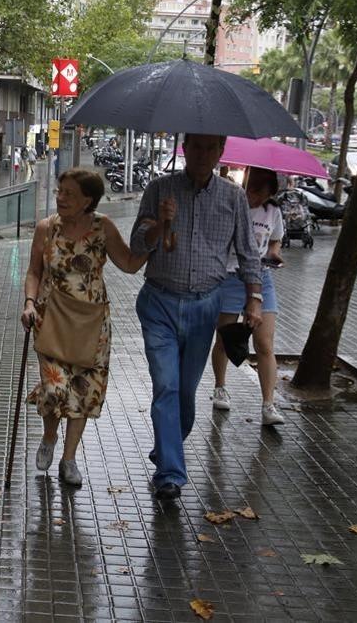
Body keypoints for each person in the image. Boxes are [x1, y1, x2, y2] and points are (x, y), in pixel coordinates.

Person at [130, 133, 263, 501]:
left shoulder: (233, 197)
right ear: (184, 148)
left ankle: (167, 444)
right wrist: (160, 223)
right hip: (160, 302)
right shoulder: (160, 189)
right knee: (167, 386)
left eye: (211, 147)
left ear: (221, 151)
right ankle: (170, 473)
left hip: (206, 306)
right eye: (196, 146)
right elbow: (138, 243)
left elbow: (249, 253)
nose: (203, 154)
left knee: (186, 393)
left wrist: (254, 297)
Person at [20, 169, 147, 486]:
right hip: (51, 318)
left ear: (87, 201)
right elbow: (34, 272)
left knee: (83, 391)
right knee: (55, 387)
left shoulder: (103, 228)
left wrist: (157, 236)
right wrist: (29, 303)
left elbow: (130, 264)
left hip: (92, 324)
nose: (60, 198)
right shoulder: (46, 229)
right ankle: (50, 436)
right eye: (59, 191)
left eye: (69, 194)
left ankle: (69, 459)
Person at [210, 167, 286, 426]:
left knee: (264, 343)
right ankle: (220, 386)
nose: (253, 197)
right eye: (251, 190)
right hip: (230, 277)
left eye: (260, 193)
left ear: (270, 193)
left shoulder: (272, 212)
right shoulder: (232, 206)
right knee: (225, 338)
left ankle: (269, 404)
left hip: (263, 278)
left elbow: (275, 240)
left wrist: (274, 253)